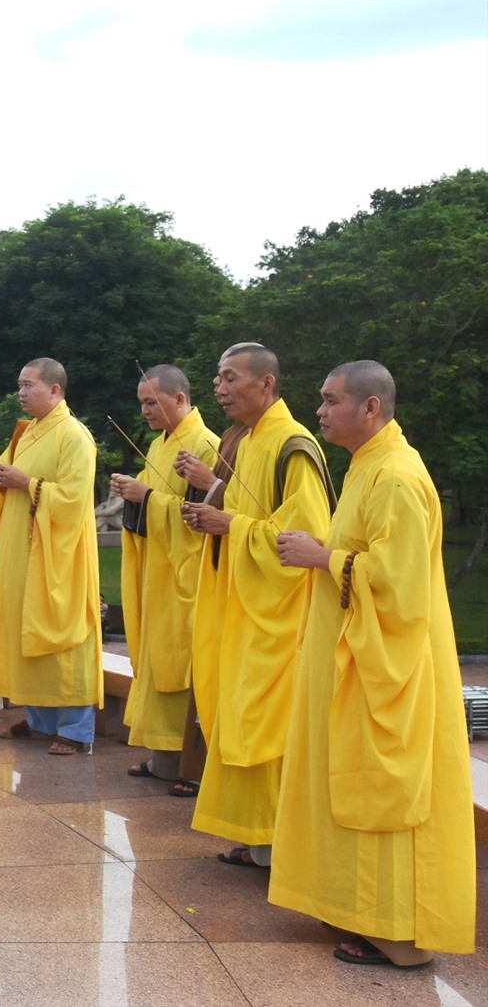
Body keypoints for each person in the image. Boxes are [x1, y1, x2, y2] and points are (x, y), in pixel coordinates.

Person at [269, 361, 475, 968]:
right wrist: (322, 555)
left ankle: (401, 936)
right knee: (351, 780)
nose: (321, 411)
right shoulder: (367, 466)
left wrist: (322, 557)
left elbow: (401, 586)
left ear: (370, 409)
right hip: (355, 657)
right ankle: (358, 909)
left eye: (331, 402)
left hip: (389, 663)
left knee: (383, 788)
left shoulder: (397, 477)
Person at [174, 342, 330, 870]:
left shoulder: (292, 444)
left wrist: (230, 525)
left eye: (230, 378)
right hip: (237, 605)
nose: (218, 387)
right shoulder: (244, 438)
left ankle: (279, 841)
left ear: (266, 384)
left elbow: (305, 538)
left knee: (265, 725)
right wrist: (211, 513)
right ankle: (256, 836)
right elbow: (240, 509)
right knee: (236, 718)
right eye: (216, 378)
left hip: (275, 616)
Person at [0, 358, 102, 755]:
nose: (21, 392)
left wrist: (24, 482)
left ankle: (76, 730)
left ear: (55, 390)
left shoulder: (74, 436)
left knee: (62, 635)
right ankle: (39, 719)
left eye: (29, 385)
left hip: (57, 554)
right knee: (24, 630)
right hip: (21, 549)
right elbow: (9, 480)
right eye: (19, 385)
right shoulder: (25, 433)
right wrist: (3, 479)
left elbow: (75, 500)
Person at [109, 364, 218, 788]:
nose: (145, 411)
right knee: (157, 665)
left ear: (179, 399)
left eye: (152, 403)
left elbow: (198, 519)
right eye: (141, 403)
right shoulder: (159, 445)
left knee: (184, 669)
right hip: (158, 573)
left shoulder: (205, 445)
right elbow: (159, 504)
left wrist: (147, 497)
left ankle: (191, 765)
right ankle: (162, 758)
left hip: (186, 578)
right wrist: (134, 492)